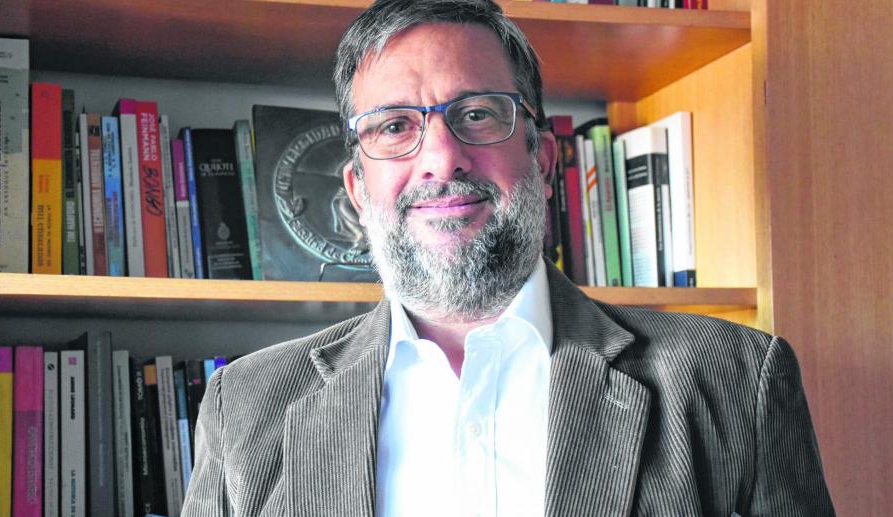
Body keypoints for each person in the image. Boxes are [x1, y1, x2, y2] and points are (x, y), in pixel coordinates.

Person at [182, 0, 835, 515]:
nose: (442, 158)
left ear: (543, 159)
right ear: (356, 188)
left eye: (477, 114)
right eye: (395, 126)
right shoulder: (245, 406)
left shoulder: (734, 381)